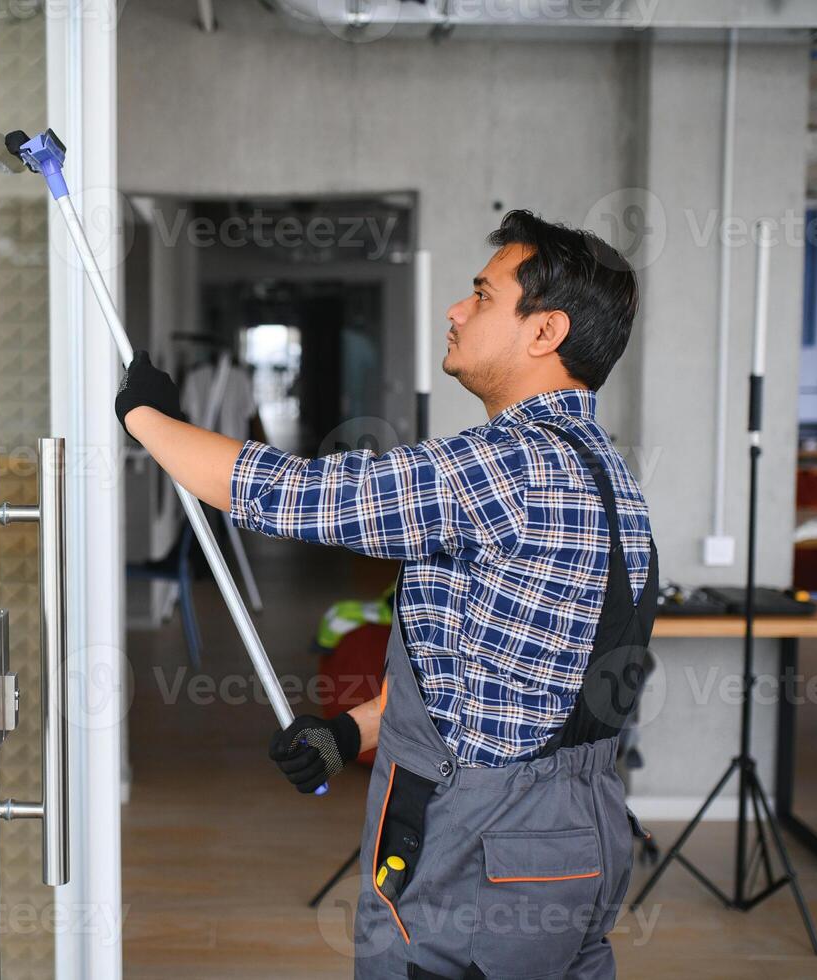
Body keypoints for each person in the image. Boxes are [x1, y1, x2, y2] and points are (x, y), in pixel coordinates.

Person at [114, 210, 658, 979]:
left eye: (481, 294)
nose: (454, 310)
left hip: (483, 846)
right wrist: (347, 734)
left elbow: (298, 496)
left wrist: (147, 419)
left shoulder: (508, 464)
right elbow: (497, 692)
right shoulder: (604, 471)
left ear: (544, 333)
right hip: (574, 838)